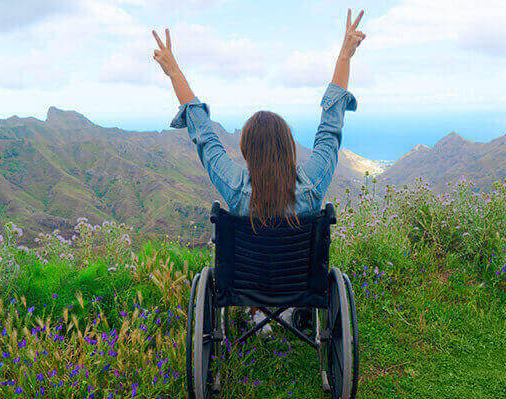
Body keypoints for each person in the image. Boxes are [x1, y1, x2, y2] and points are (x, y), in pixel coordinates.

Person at [152, 9, 365, 333]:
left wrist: (173, 71)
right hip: (300, 285)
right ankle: (294, 312)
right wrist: (345, 54)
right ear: (289, 147)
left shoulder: (235, 188)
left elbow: (205, 136)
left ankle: (258, 313)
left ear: (246, 150)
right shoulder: (312, 186)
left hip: (246, 285)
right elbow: (330, 130)